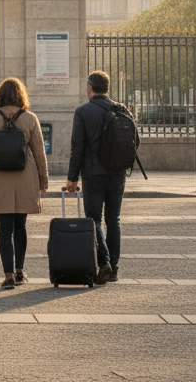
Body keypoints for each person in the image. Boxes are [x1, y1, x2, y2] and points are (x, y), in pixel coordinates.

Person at [0, 76, 48, 289]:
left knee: (4, 229)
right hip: (25, 177)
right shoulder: (30, 118)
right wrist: (43, 180)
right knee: (21, 226)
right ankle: (19, 271)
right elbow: (39, 153)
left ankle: (7, 275)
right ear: (21, 95)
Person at [65, 70, 127, 284]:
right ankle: (115, 268)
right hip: (118, 173)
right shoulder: (121, 109)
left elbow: (77, 148)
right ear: (107, 88)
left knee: (94, 219)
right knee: (114, 219)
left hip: (93, 173)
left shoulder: (83, 112)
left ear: (90, 88)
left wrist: (72, 178)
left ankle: (105, 263)